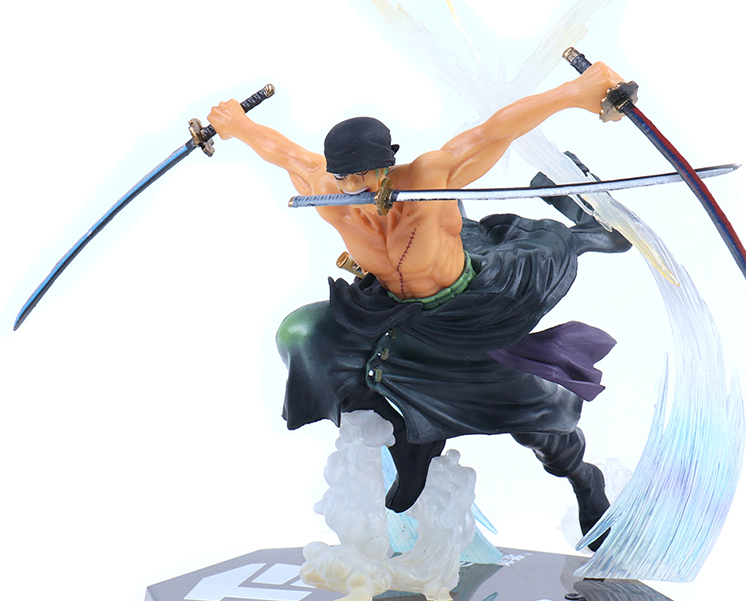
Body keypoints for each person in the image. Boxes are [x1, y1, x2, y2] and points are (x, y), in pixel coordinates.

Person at [208, 62, 630, 549]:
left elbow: (495, 131)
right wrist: (236, 124)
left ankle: (584, 479)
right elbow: (283, 152)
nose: (353, 187)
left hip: (474, 309)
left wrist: (580, 90)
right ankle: (409, 442)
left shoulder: (430, 176)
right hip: (397, 315)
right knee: (313, 342)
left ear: (387, 166)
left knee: (533, 411)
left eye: (364, 175)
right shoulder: (327, 192)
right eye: (344, 177)